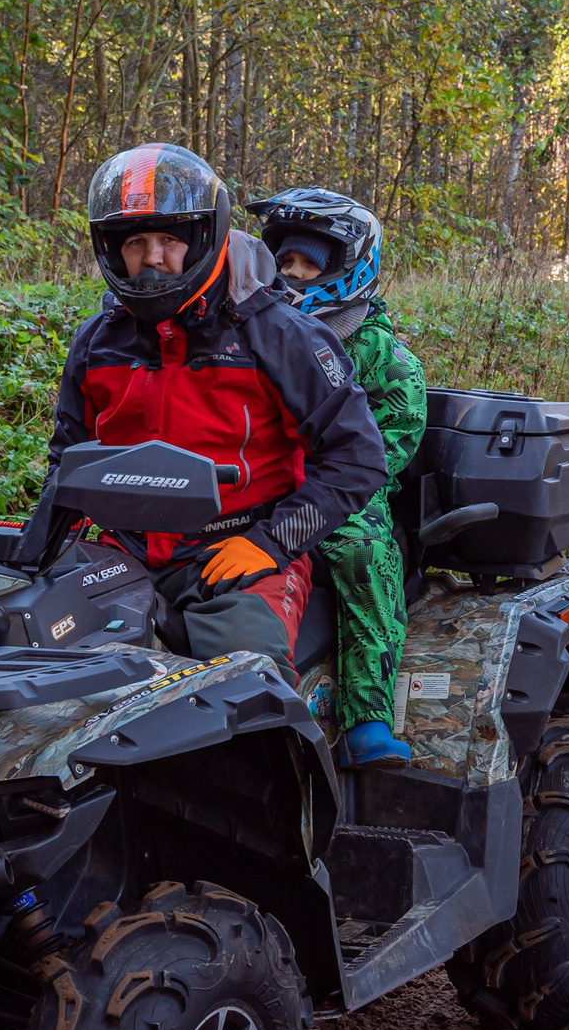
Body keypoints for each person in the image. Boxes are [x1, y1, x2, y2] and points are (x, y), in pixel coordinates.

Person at [42, 144, 386, 679]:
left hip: (237, 550)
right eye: (135, 242)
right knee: (32, 650)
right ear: (110, 248)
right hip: (123, 549)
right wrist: (41, 545)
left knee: (246, 687)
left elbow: (357, 459)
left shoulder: (280, 335)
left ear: (204, 236)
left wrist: (273, 542)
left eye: (169, 240)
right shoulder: (98, 342)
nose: (153, 258)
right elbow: (67, 457)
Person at [249, 186, 427, 770]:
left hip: (346, 494)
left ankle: (366, 718)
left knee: (362, 553)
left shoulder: (381, 355)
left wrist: (324, 482)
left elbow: (391, 444)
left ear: (351, 268)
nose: (294, 275)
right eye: (285, 261)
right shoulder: (256, 332)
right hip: (262, 477)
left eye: (310, 263)